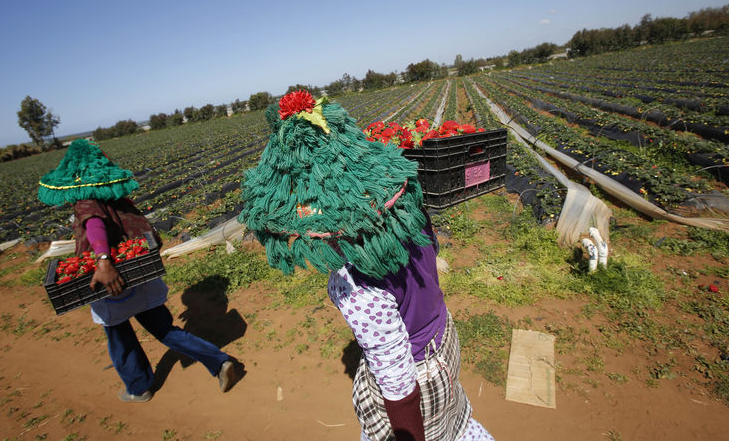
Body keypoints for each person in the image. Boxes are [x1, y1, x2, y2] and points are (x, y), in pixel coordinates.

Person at [240, 91, 494, 440]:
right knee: (456, 424)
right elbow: (430, 253)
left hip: (418, 376)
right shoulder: (409, 211)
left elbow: (395, 374)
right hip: (445, 340)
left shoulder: (356, 285)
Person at [38, 139, 237, 402]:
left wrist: (104, 261)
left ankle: (139, 386)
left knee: (119, 337)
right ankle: (219, 361)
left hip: (111, 280)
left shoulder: (86, 200)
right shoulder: (115, 197)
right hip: (138, 275)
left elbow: (94, 226)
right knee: (165, 330)